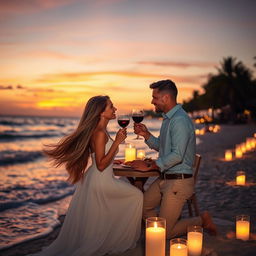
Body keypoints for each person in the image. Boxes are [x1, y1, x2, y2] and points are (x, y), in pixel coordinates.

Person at [31, 95, 143, 256]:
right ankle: (118, 240)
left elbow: (103, 159)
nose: (115, 109)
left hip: (100, 178)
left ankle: (111, 237)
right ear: (101, 112)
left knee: (128, 197)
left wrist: (115, 161)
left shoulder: (100, 130)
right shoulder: (99, 133)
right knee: (136, 195)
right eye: (111, 106)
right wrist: (117, 142)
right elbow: (101, 164)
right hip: (101, 182)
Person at [130, 80, 217, 239]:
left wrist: (152, 166)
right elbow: (164, 148)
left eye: (154, 97)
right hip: (164, 178)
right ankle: (166, 219)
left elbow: (177, 155)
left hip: (179, 181)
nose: (152, 101)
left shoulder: (179, 120)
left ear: (166, 98)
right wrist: (146, 135)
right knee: (142, 208)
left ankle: (201, 221)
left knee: (164, 234)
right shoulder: (169, 119)